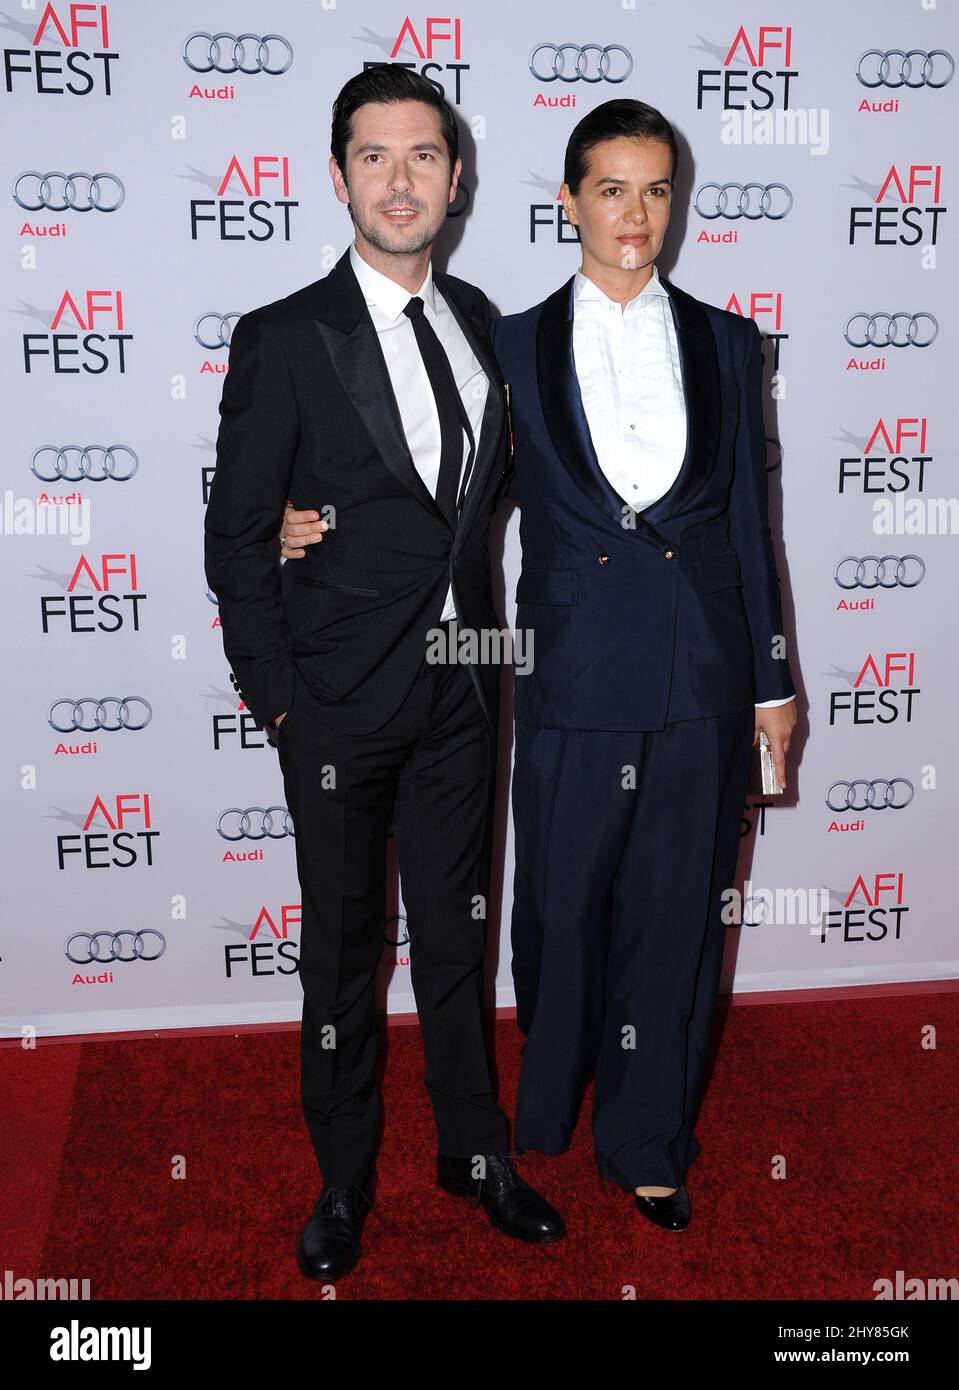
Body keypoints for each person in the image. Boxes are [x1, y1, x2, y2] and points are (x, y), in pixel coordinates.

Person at [281, 98, 798, 1233]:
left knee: (676, 921)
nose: (634, 213)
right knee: (557, 920)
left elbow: (747, 528)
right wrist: (293, 518)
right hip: (566, 672)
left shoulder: (724, 338)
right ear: (566, 199)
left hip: (699, 677)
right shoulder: (501, 342)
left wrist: (770, 679)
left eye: (655, 188)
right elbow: (431, 496)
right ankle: (549, 1106)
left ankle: (646, 1139)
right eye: (610, 188)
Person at [204, 65, 564, 1283]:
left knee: (459, 941)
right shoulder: (284, 338)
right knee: (343, 955)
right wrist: (282, 699)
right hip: (337, 704)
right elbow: (236, 536)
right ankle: (342, 1176)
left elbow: (486, 508)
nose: (399, 179)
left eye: (422, 156)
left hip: (468, 686)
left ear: (455, 178)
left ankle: (475, 1152)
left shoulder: (488, 329)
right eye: (374, 156)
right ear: (338, 174)